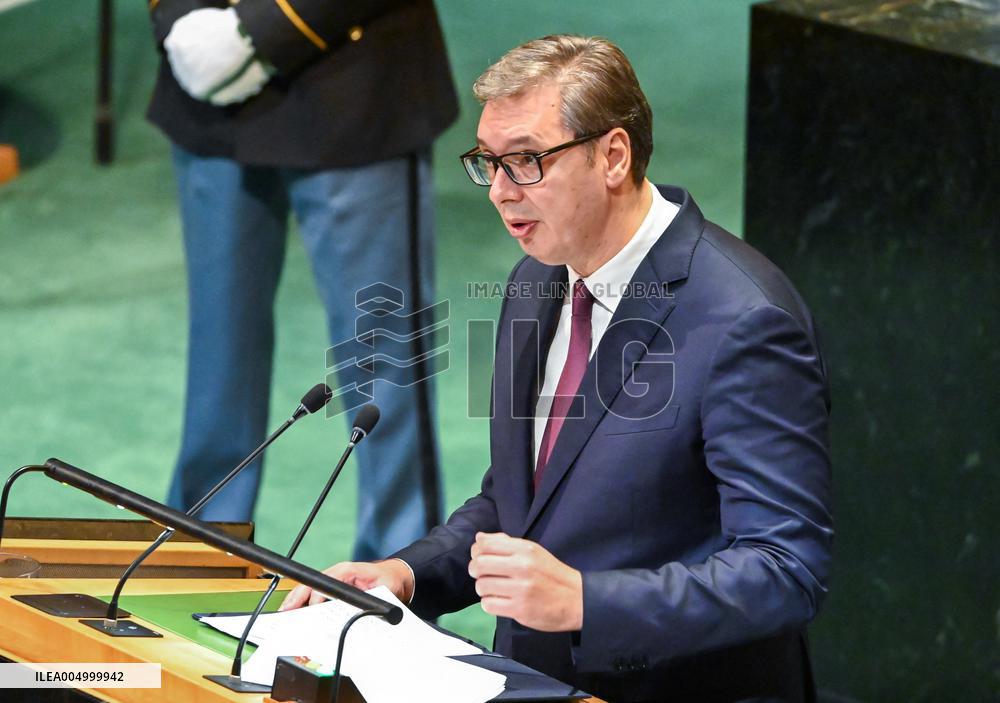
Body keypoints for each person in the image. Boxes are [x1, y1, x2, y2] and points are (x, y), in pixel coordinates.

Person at [282, 35, 833, 702]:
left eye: (527, 161)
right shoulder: (535, 282)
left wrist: (585, 601)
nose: (500, 192)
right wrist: (407, 572)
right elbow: (517, 502)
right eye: (489, 163)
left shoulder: (743, 318)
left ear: (613, 155)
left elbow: (786, 570)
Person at [145, 0, 458, 559]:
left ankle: (398, 584)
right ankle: (196, 561)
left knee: (380, 358)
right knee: (218, 349)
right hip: (208, 92)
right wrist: (184, 22)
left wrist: (259, 33)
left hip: (354, 82)